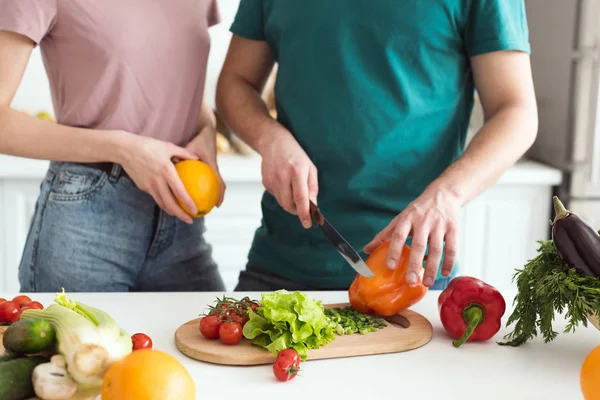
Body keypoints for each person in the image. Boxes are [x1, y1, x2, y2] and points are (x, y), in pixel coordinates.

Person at [216, 0, 538, 292]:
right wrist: (269, 137)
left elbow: (516, 111)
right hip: (279, 267)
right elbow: (235, 82)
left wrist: (447, 195)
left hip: (409, 280)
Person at [0, 0, 227, 292]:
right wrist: (121, 148)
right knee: (87, 340)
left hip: (181, 218)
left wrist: (207, 131)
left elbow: (172, 82)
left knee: (206, 335)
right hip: (86, 220)